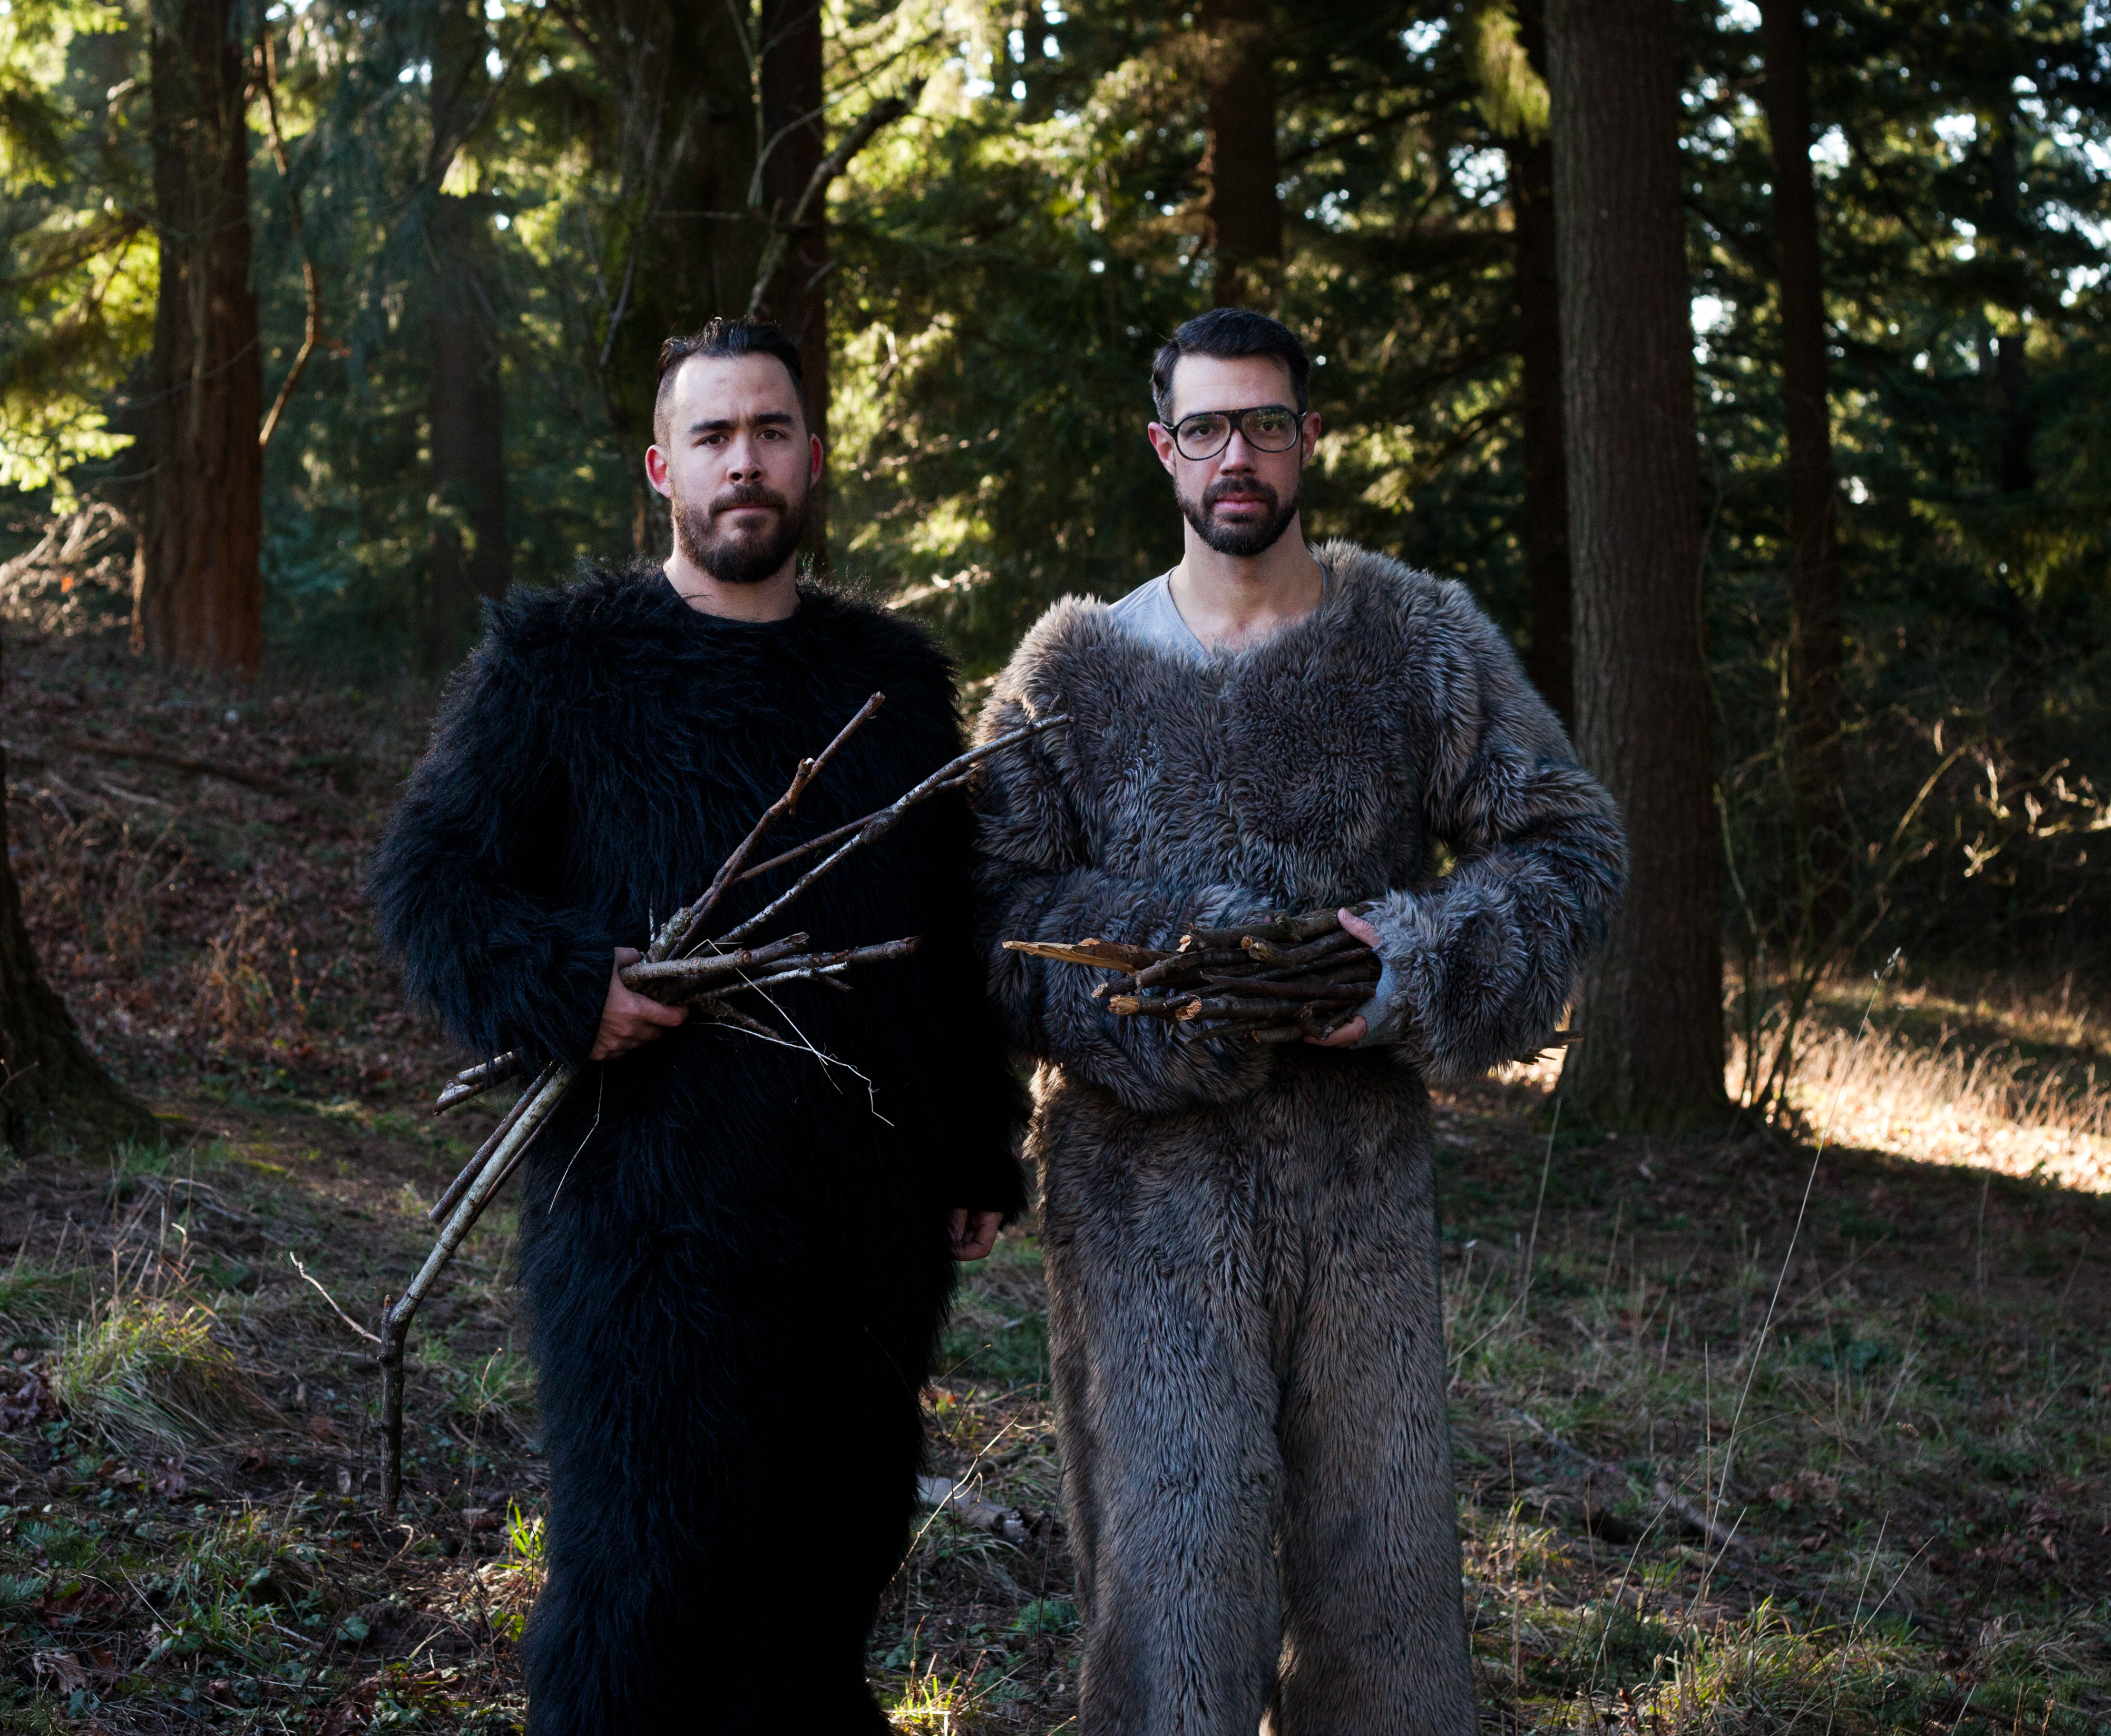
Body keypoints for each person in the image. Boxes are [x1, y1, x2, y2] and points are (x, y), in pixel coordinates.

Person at [971, 307, 1626, 1735]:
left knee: (1381, 1597)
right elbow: (993, 916)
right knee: (1174, 1609)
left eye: (1266, 422)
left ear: (1308, 438)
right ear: (1164, 450)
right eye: (1207, 427)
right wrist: (1161, 985)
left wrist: (1407, 963)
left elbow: (1569, 845)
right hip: (1143, 1207)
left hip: (1358, 1193)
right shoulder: (1070, 673)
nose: (1238, 454)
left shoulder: (1415, 641)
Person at [369, 315, 1024, 1734]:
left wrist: (981, 1139)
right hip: (642, 1232)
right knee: (644, 1607)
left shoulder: (894, 684)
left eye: (772, 432)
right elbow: (431, 879)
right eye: (716, 437)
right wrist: (565, 983)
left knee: (830, 1583)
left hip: (863, 1230)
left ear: (813, 458)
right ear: (663, 468)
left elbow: (952, 924)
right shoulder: (561, 665)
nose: (747, 464)